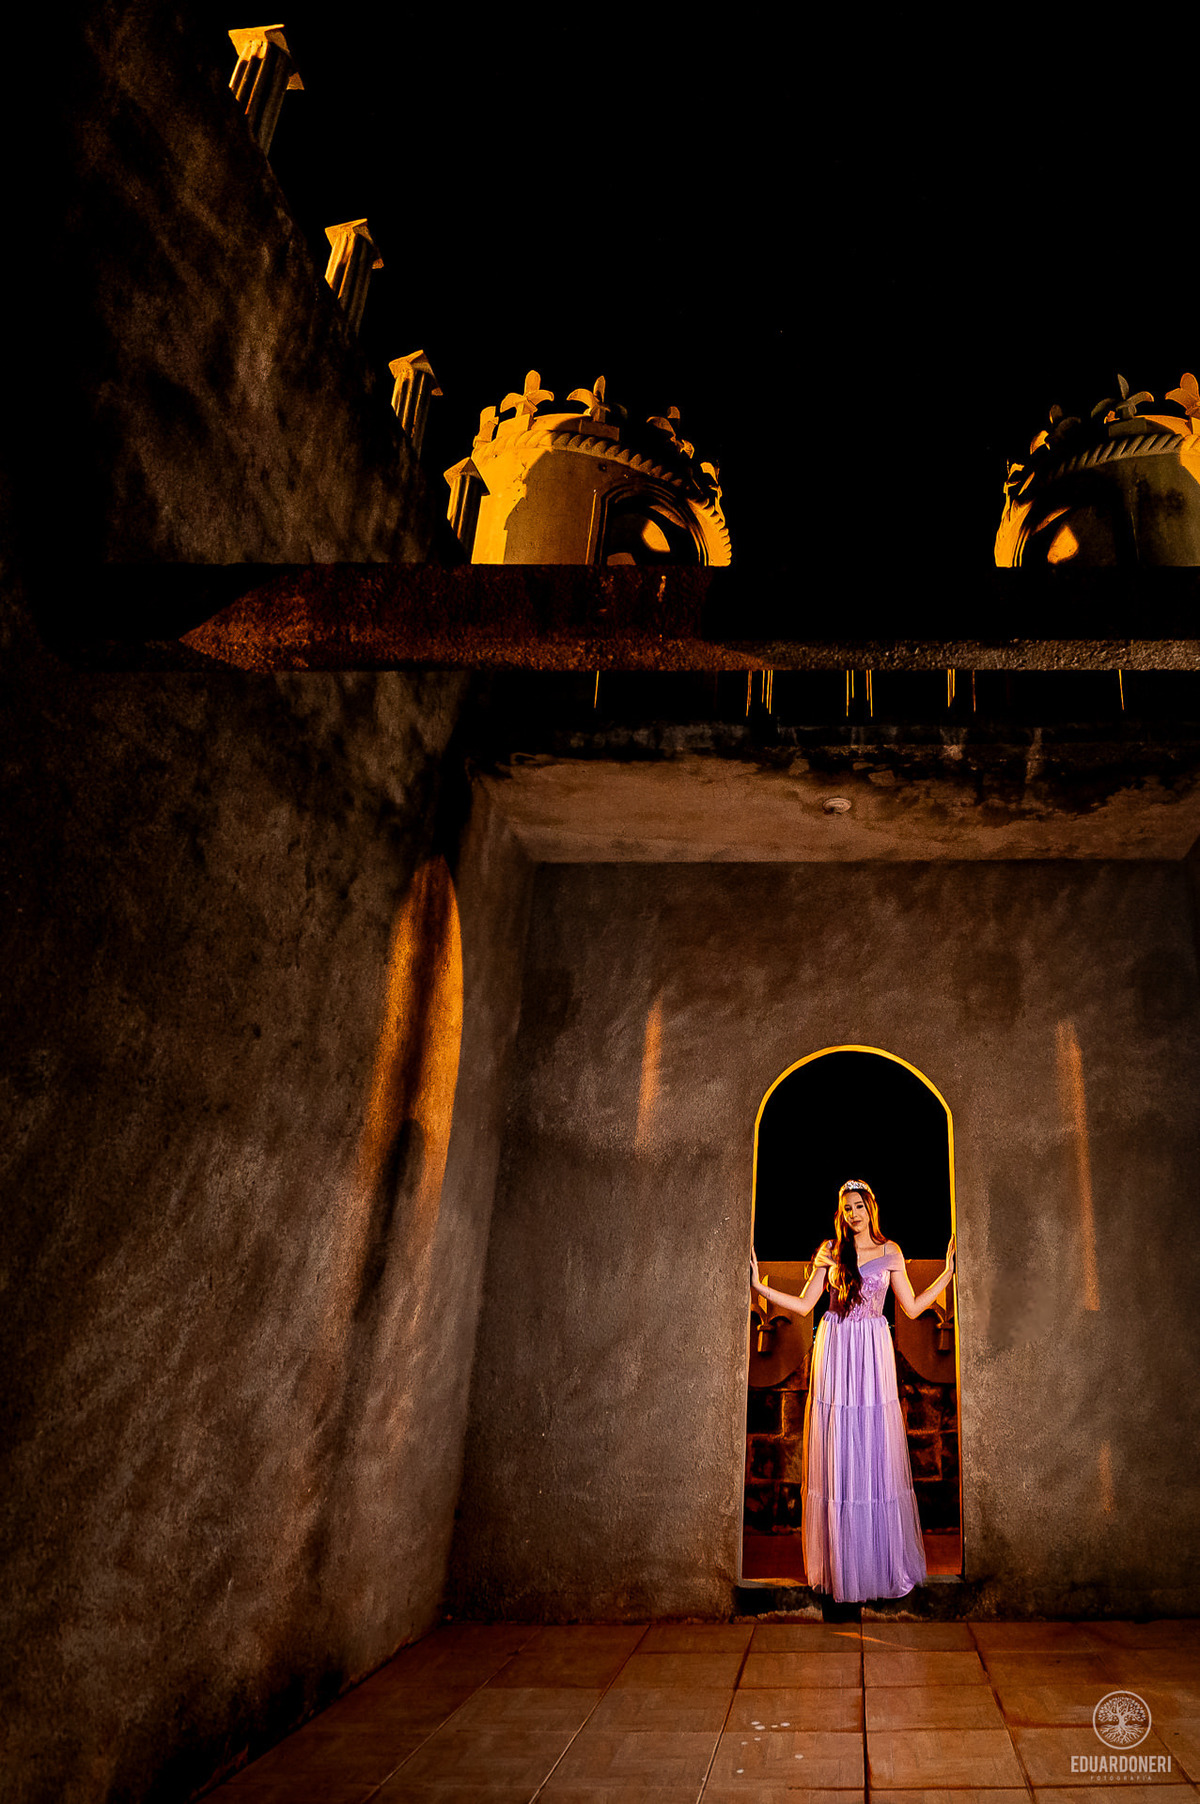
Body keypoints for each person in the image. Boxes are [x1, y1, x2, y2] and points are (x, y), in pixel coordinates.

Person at [749, 1179, 955, 1603]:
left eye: (859, 1206)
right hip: (837, 1349)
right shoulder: (830, 1251)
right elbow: (807, 1306)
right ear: (840, 1213)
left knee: (874, 1446)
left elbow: (913, 1307)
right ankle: (842, 1566)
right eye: (846, 1208)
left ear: (870, 1208)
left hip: (872, 1352)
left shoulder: (890, 1251)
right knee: (839, 1446)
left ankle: (876, 1564)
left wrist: (949, 1272)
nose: (853, 1214)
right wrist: (758, 1286)